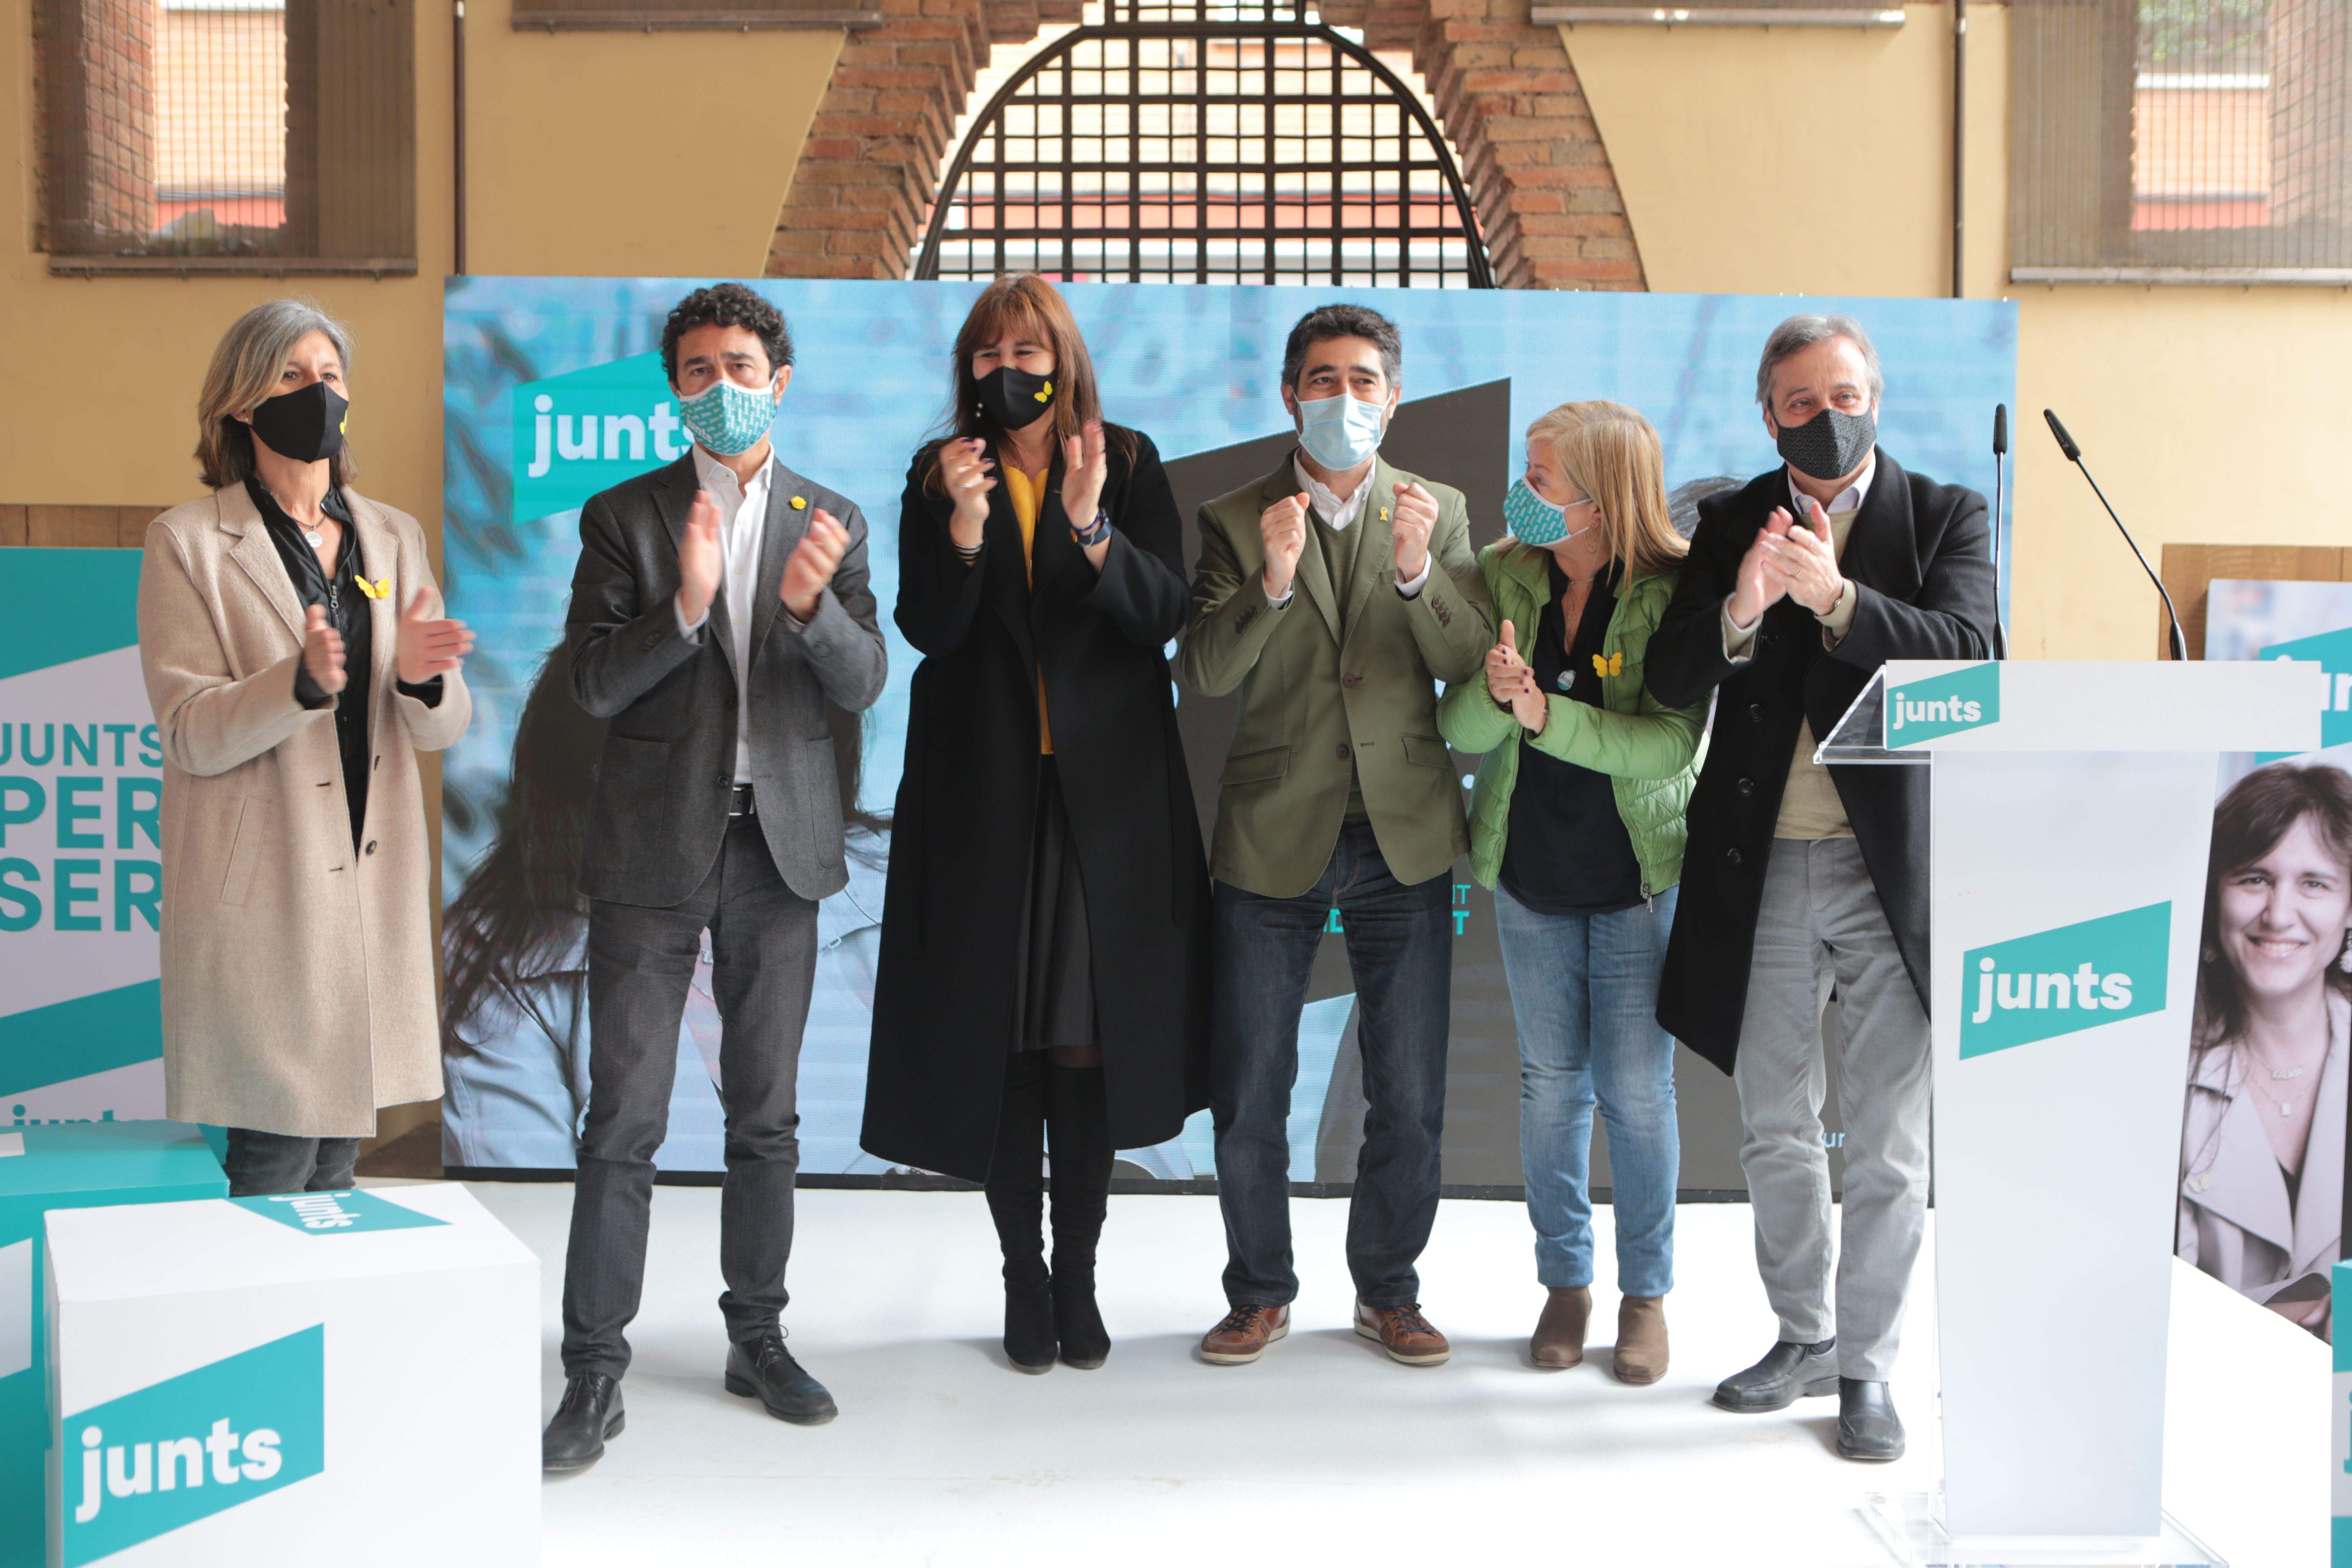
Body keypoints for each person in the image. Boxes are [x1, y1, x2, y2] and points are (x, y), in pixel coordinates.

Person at [542, 283, 888, 1472]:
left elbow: (863, 683)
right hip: (651, 852)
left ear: (780, 379)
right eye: (697, 369)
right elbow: (591, 686)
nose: (721, 386)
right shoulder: (624, 518)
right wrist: (687, 606)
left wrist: (808, 612)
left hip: (778, 852)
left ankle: (759, 1338)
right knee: (622, 1120)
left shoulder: (830, 518)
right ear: (673, 389)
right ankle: (593, 1369)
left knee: (768, 1119)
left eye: (741, 364)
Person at [1645, 314, 1993, 1461]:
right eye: (1800, 401)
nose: (1826, 415)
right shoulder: (1733, 518)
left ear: (1876, 395)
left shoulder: (1944, 514)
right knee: (1776, 1124)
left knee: (1891, 1143)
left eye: (1843, 392)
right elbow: (1667, 675)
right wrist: (1743, 604)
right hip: (1764, 865)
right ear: (1768, 414)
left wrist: (1840, 601)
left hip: (1892, 870)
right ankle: (1800, 1335)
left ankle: (1868, 1367)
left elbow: (1977, 651)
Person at [862, 274, 1210, 1374]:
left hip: (1107, 807)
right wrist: (965, 530)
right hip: (983, 802)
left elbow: (1164, 616)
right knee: (1005, 1050)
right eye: (984, 353)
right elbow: (930, 629)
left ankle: (1081, 1279)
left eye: (1026, 349)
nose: (1005, 369)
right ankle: (1023, 1277)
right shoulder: (937, 476)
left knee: (1085, 1051)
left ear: (1065, 359)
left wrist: (1089, 523)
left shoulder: (1131, 459)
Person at [1178, 303, 1493, 1368]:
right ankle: (1258, 1290)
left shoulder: (1438, 508)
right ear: (1289, 395)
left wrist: (1417, 575)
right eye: (1323, 380)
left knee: (1409, 1091)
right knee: (1253, 1083)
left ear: (1393, 396)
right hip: (1272, 839)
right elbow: (1206, 675)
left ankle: (1389, 1292)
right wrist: (1270, 582)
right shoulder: (1235, 515)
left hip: (1403, 838)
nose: (1343, 400)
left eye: (1364, 381)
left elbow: (1468, 667)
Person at [138, 298, 473, 1199]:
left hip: (372, 884)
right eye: (292, 376)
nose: (317, 393)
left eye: (329, 375)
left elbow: (444, 728)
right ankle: (261, 1340)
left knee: (337, 1167)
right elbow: (187, 732)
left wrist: (423, 679)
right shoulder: (190, 543)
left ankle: (318, 1340)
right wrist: (293, 684)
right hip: (267, 893)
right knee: (279, 1157)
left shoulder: (392, 535)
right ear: (242, 403)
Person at [1434, 401, 1702, 1382]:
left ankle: (1646, 1298)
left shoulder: (1674, 591)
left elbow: (1669, 745)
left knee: (1635, 1092)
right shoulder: (1506, 572)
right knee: (1552, 1088)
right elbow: (1463, 728)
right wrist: (1497, 696)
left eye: (1542, 478)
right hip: (1530, 872)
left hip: (1635, 877)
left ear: (1601, 498)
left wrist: (1546, 713)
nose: (1524, 493)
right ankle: (1565, 1284)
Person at [2180, 762, 2352, 1339]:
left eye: (2315, 884)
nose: (2279, 915)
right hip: (2208, 1408)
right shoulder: (2154, 1071)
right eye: (2254, 879)